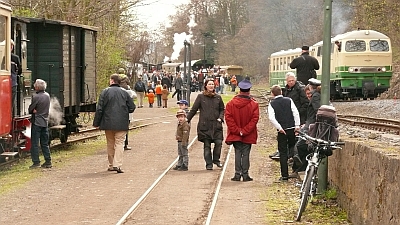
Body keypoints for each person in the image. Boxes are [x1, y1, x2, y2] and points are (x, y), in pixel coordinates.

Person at [93, 74, 135, 173]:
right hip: (121, 123)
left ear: (112, 81)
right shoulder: (125, 93)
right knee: (120, 143)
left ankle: (111, 165)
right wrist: (124, 112)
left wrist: (96, 122)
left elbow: (99, 109)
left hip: (107, 123)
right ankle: (117, 164)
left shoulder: (105, 92)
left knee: (110, 143)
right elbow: (132, 107)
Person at [225, 79, 259, 182]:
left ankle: (237, 174)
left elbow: (228, 118)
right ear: (249, 90)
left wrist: (237, 131)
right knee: (246, 153)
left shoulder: (230, 104)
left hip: (235, 134)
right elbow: (254, 119)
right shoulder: (254, 104)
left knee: (237, 153)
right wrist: (244, 131)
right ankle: (245, 174)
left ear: (239, 90)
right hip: (248, 134)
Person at [187, 78, 225, 170]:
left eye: (212, 84)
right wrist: (187, 120)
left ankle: (216, 159)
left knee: (218, 142)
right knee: (207, 145)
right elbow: (194, 110)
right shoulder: (201, 97)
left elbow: (222, 109)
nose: (211, 86)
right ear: (206, 86)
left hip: (216, 125)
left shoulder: (218, 97)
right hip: (205, 126)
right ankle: (209, 164)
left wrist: (220, 118)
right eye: (209, 84)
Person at [268, 85, 300, 181]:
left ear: (272, 94)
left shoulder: (272, 104)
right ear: (281, 92)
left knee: (282, 153)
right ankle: (295, 168)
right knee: (293, 148)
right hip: (292, 129)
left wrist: (279, 128)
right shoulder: (289, 100)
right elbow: (295, 112)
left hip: (282, 131)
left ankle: (284, 175)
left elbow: (271, 118)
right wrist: (297, 125)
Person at [28, 79, 52, 169]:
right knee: (44, 143)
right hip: (45, 122)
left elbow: (31, 109)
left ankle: (36, 162)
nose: (34, 86)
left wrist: (34, 110)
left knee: (34, 143)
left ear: (37, 87)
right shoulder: (47, 96)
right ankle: (48, 161)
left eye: (35, 85)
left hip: (37, 122)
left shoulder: (36, 97)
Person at [119, 74, 137, 151]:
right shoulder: (128, 91)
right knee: (125, 129)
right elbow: (132, 105)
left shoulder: (115, 89)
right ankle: (125, 144)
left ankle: (118, 144)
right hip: (126, 114)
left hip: (117, 113)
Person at [11, 39, 22, 117]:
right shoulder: (15, 58)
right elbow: (19, 70)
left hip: (10, 82)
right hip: (13, 82)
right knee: (11, 100)